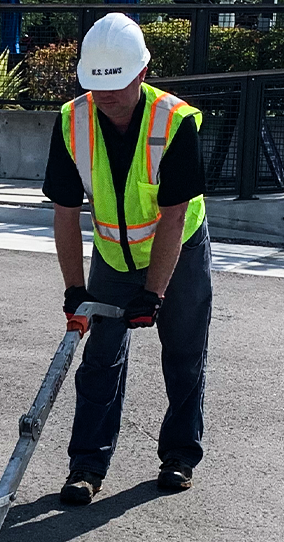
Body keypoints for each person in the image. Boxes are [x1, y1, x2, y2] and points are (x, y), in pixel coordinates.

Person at [42, 13, 212, 506]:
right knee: (99, 358)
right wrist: (75, 289)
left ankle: (179, 456)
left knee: (183, 354)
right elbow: (65, 212)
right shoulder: (72, 121)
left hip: (178, 250)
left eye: (116, 84)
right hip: (114, 254)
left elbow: (174, 215)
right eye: (96, 85)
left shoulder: (174, 122)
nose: (105, 96)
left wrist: (154, 294)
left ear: (141, 73)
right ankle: (87, 466)